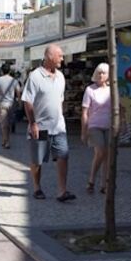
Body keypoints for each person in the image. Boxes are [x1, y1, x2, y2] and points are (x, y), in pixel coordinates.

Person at [22, 44, 75, 202]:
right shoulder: (35, 76)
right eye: (60, 55)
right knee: (37, 160)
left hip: (59, 126)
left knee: (63, 156)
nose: (62, 58)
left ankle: (62, 191)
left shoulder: (61, 76)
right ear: (49, 56)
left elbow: (60, 100)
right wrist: (33, 123)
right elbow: (28, 101)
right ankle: (37, 187)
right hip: (40, 126)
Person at [81, 62, 111, 193]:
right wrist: (84, 131)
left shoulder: (112, 90)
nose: (101, 75)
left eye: (104, 72)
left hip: (109, 125)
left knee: (108, 156)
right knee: (100, 152)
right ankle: (91, 179)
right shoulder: (90, 90)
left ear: (108, 75)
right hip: (94, 125)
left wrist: (122, 123)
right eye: (99, 72)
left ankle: (104, 184)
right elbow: (84, 112)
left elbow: (119, 108)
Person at [0, 64, 21, 149]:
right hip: (11, 104)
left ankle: (6, 142)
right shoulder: (14, 81)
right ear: (9, 71)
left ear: (2, 71)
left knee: (3, 124)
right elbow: (18, 93)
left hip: (2, 104)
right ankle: (5, 140)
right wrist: (20, 103)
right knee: (8, 123)